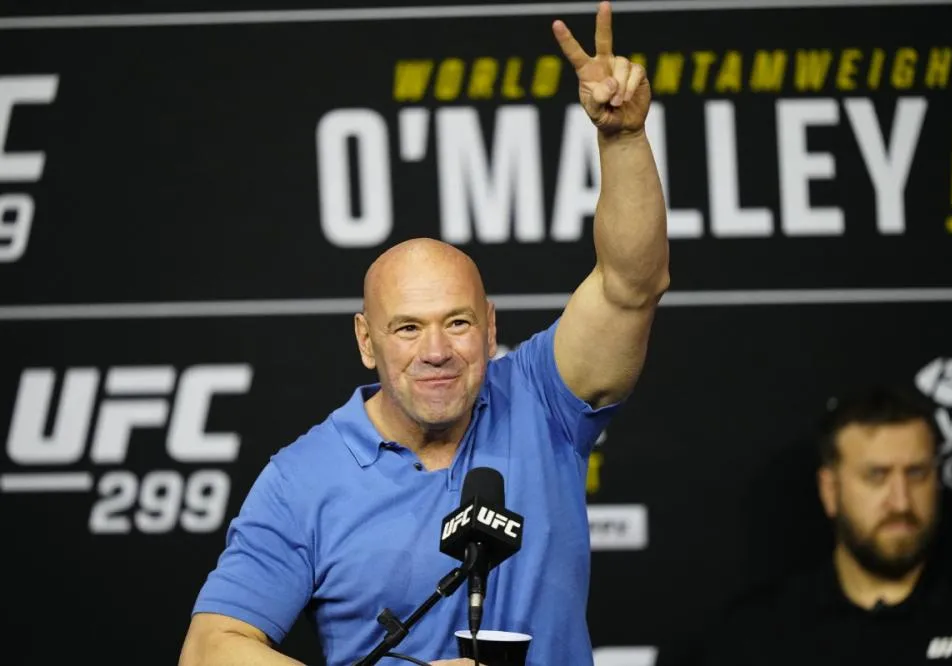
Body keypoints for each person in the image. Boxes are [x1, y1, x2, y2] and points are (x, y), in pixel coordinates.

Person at [178, 2, 669, 665]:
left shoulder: (541, 400)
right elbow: (210, 649)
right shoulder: (304, 479)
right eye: (407, 328)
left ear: (490, 327)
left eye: (457, 323)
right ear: (366, 341)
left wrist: (624, 139)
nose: (436, 352)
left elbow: (630, 285)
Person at [697, 385, 952, 666]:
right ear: (830, 490)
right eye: (877, 476)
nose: (901, 502)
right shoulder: (759, 635)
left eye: (916, 473)